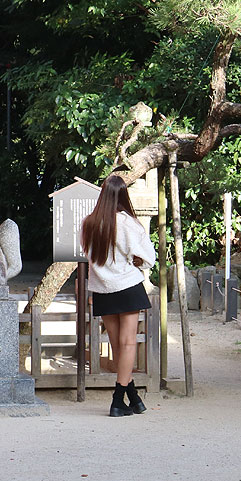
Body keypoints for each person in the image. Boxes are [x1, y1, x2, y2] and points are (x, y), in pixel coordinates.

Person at [81, 174, 156, 417]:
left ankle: (133, 398)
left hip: (103, 290)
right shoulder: (127, 223)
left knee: (118, 347)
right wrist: (136, 262)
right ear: (124, 195)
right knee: (128, 344)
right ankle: (117, 400)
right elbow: (149, 257)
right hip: (127, 287)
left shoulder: (89, 223)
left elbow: (89, 256)